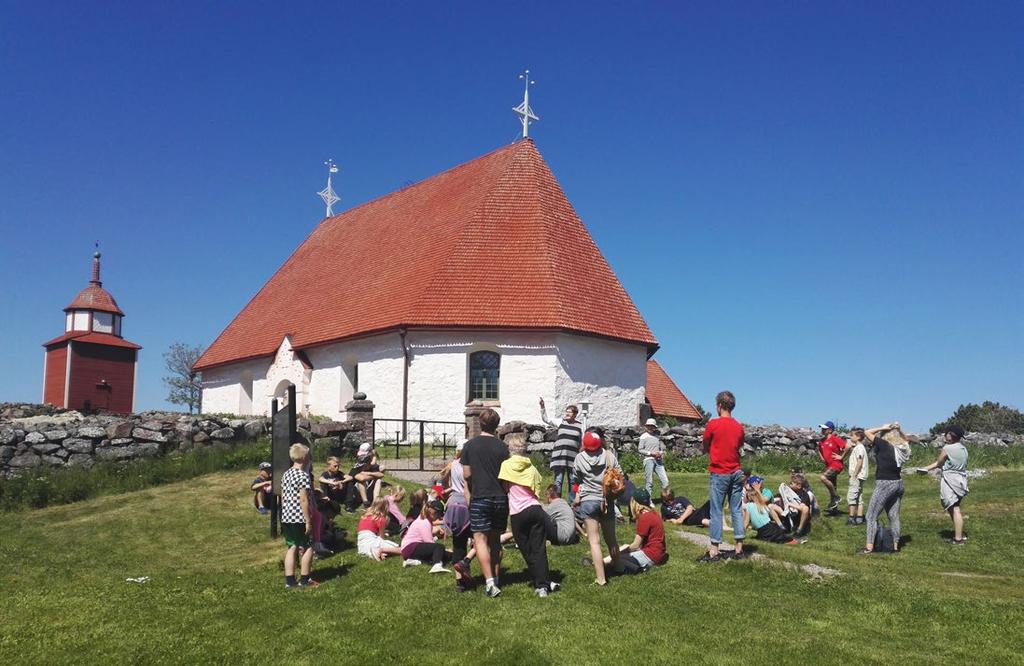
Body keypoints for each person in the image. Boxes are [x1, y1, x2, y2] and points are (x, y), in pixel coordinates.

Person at [499, 433, 558, 597]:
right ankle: (544, 583)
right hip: (534, 508)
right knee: (539, 549)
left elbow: (504, 486)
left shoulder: (506, 465)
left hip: (518, 512)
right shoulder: (531, 467)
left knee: (526, 549)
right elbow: (536, 486)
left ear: (510, 449)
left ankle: (542, 583)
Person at [461, 408, 510, 598]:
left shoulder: (470, 446)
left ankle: (489, 583)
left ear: (480, 423)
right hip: (499, 497)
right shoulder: (502, 447)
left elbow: (467, 474)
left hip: (480, 496)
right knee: (496, 540)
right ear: (496, 425)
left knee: (480, 540)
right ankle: (497, 579)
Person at [698, 390, 746, 563]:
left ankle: (714, 551)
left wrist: (708, 450)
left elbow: (705, 443)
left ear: (719, 406)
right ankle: (739, 549)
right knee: (736, 510)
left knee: (716, 511)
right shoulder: (739, 427)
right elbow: (739, 445)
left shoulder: (713, 424)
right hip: (736, 472)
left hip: (720, 472)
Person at [572, 429, 622, 585]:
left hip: (588, 501)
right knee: (611, 539)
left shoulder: (579, 458)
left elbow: (576, 479)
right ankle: (618, 567)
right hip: (606, 500)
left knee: (594, 541)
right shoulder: (608, 455)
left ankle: (601, 579)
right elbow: (620, 474)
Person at [916, 424, 969, 545]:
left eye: (947, 433)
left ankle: (958, 539)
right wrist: (925, 468)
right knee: (954, 507)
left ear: (951, 435)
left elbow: (939, 463)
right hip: (961, 479)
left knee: (955, 508)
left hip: (951, 480)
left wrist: (925, 469)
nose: (945, 435)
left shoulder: (947, 448)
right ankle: (960, 533)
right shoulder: (963, 448)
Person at [592, 489, 666, 574]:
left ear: (635, 503)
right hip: (659, 553)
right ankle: (603, 561)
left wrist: (619, 552)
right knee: (623, 550)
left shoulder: (645, 518)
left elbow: (635, 545)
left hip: (650, 555)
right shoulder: (654, 513)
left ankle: (636, 569)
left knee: (616, 559)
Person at [860, 423, 907, 554]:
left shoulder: (884, 445)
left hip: (885, 483)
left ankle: (868, 547)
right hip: (898, 483)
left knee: (871, 516)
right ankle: (895, 547)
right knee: (894, 516)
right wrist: (899, 429)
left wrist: (883, 427)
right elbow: (906, 439)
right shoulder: (901, 448)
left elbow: (867, 432)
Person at [280, 443, 318, 588]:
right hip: (299, 517)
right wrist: (308, 520)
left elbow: (283, 496)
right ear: (304, 457)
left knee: (292, 546)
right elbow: (303, 499)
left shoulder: (286, 473)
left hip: (287, 516)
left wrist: (285, 512)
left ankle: (290, 581)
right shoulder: (303, 476)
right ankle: (305, 580)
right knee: (308, 546)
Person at [539, 398, 584, 501]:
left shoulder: (580, 426)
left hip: (573, 458)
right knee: (558, 480)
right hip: (560, 457)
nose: (567, 414)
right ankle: (557, 501)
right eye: (566, 411)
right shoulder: (560, 422)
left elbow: (582, 441)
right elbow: (546, 419)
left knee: (572, 480)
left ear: (575, 414)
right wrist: (542, 407)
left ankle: (572, 503)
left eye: (570, 412)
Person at [399, 499, 451, 574]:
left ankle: (413, 561)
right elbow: (430, 542)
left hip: (408, 550)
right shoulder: (425, 522)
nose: (439, 517)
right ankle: (437, 565)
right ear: (434, 513)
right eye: (439, 515)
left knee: (447, 555)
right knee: (439, 547)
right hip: (411, 547)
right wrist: (445, 549)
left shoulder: (424, 519)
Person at [357, 496, 403, 561]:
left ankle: (379, 553)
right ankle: (377, 550)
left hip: (361, 543)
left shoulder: (366, 515)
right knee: (398, 548)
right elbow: (382, 537)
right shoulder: (381, 519)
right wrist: (385, 535)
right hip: (371, 540)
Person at [817, 421, 847, 514]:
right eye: (822, 428)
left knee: (823, 477)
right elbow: (819, 449)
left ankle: (836, 496)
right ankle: (834, 510)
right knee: (833, 486)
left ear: (830, 430)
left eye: (824, 429)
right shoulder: (822, 441)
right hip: (828, 465)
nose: (822, 430)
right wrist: (822, 458)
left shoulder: (834, 439)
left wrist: (841, 457)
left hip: (836, 465)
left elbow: (848, 446)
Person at [638, 418, 670, 497]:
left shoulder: (656, 437)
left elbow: (661, 448)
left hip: (658, 460)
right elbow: (640, 449)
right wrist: (651, 453)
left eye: (652, 426)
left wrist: (660, 453)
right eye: (649, 426)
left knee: (665, 481)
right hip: (648, 460)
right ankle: (648, 501)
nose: (650, 428)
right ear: (646, 427)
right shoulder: (643, 437)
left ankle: (665, 498)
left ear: (654, 427)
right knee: (649, 482)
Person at [846, 428, 869, 525]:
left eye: (852, 435)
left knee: (851, 496)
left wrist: (854, 474)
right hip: (860, 476)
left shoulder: (859, 448)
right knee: (859, 497)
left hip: (857, 476)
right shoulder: (859, 447)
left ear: (858, 437)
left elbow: (860, 461)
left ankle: (852, 519)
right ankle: (859, 518)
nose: (851, 437)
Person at [778, 472, 813, 536]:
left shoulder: (804, 494)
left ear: (799, 486)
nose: (789, 484)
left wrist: (789, 504)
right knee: (772, 506)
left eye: (791, 483)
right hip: (789, 513)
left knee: (805, 508)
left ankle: (799, 530)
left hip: (800, 515)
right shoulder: (788, 492)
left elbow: (801, 508)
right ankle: (782, 528)